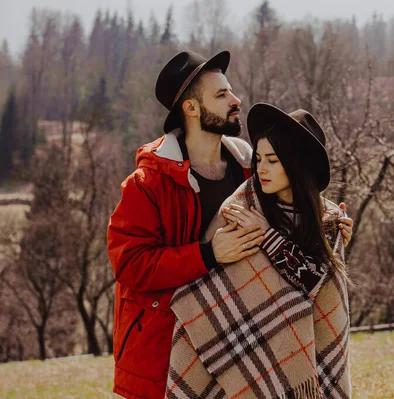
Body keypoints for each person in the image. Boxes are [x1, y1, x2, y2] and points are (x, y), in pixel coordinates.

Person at [107, 51, 353, 399]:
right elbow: (129, 265)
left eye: (231, 90)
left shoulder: (251, 172)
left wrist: (328, 229)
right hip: (164, 355)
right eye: (221, 95)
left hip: (244, 351)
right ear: (191, 109)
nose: (236, 100)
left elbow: (292, 223)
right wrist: (207, 254)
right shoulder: (147, 184)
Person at [166, 103, 352, 399]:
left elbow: (317, 284)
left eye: (273, 161)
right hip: (234, 356)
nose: (261, 169)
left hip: (305, 356)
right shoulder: (239, 209)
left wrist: (268, 237)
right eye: (259, 159)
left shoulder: (327, 219)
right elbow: (213, 290)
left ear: (295, 164)